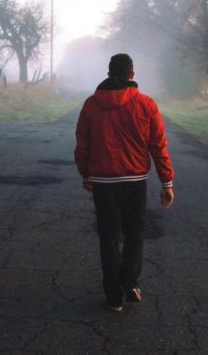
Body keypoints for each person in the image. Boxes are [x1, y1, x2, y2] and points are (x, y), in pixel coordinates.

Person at [74, 53, 175, 311]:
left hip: (103, 181)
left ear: (109, 73)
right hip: (135, 180)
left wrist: (86, 174)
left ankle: (113, 296)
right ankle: (129, 282)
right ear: (132, 74)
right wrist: (167, 182)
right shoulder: (146, 104)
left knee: (108, 236)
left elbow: (82, 144)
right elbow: (158, 145)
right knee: (134, 232)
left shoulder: (90, 105)